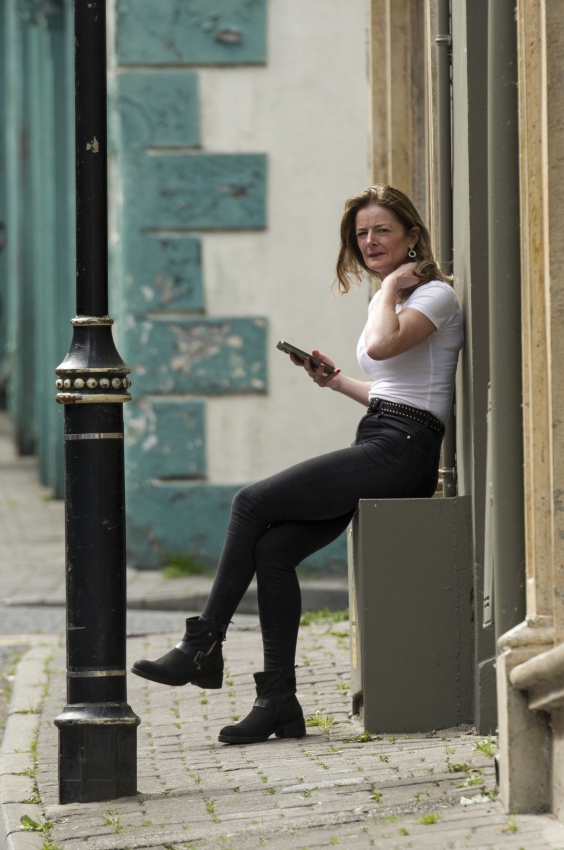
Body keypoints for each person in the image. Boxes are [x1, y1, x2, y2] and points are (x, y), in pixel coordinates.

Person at [131, 184, 464, 745]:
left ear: (412, 235)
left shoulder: (433, 296)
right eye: (361, 233)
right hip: (385, 433)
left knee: (250, 501)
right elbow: (395, 389)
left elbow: (385, 350)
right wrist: (336, 382)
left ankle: (201, 645)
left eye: (382, 230)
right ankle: (278, 703)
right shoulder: (393, 300)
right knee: (274, 550)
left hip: (404, 449)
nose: (369, 241)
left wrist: (389, 288)